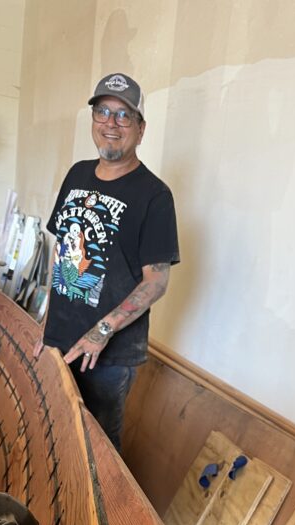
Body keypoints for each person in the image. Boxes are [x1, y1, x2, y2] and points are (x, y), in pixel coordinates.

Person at [39, 73, 179, 450]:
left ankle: (100, 512)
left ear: (140, 128)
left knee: (98, 449)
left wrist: (100, 332)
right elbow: (62, 251)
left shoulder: (154, 196)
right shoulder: (77, 174)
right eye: (104, 112)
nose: (111, 125)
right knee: (57, 434)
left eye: (123, 116)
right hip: (60, 335)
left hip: (109, 354)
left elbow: (156, 281)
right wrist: (45, 322)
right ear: (93, 119)